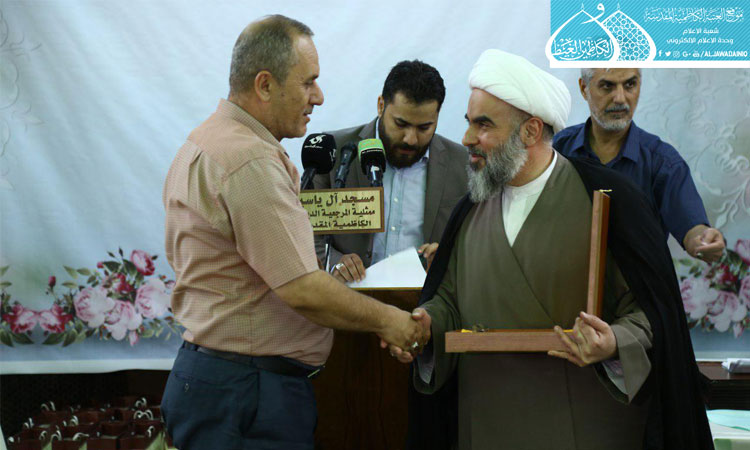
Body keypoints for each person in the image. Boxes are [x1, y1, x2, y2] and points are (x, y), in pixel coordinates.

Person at [390, 50, 712, 449]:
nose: (467, 138)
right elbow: (451, 302)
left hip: (583, 424)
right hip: (486, 421)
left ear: (530, 131)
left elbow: (652, 312)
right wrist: (427, 323)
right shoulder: (470, 210)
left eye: (483, 124)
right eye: (469, 122)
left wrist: (613, 341)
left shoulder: (607, 200)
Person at [160, 15, 426, 450]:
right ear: (265, 85)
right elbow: (302, 289)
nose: (318, 97)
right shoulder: (249, 161)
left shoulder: (207, 139)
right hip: (247, 393)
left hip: (225, 386)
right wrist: (391, 321)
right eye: (308, 82)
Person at [311, 60, 467, 282]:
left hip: (424, 300)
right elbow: (304, 234)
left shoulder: (462, 164)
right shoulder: (333, 151)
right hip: (345, 296)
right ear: (381, 105)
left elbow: (474, 243)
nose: (410, 139)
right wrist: (335, 261)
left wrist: (446, 259)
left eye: (424, 127)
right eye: (401, 124)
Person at [554, 68, 725, 263]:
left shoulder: (662, 162)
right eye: (607, 86)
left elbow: (691, 226)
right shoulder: (558, 149)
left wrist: (702, 241)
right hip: (567, 276)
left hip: (639, 280)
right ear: (584, 88)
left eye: (630, 85)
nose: (620, 98)